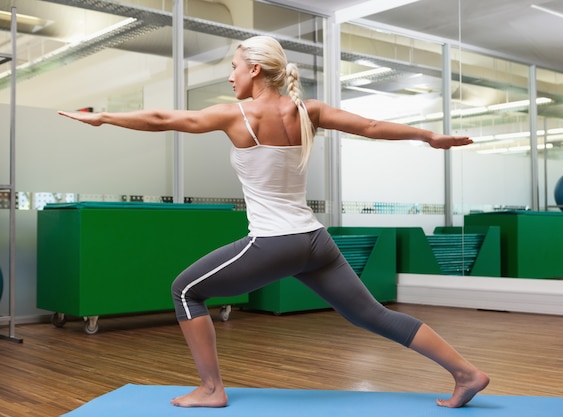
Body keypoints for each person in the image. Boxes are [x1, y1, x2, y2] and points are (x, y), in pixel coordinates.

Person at [58, 35, 489, 409]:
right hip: (315, 240)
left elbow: (165, 120)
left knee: (185, 290)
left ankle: (211, 389)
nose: (231, 77)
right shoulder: (308, 111)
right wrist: (429, 136)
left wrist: (105, 116)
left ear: (255, 69)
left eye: (234, 68)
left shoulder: (238, 115)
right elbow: (372, 125)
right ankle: (466, 372)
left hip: (275, 241)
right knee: (369, 314)